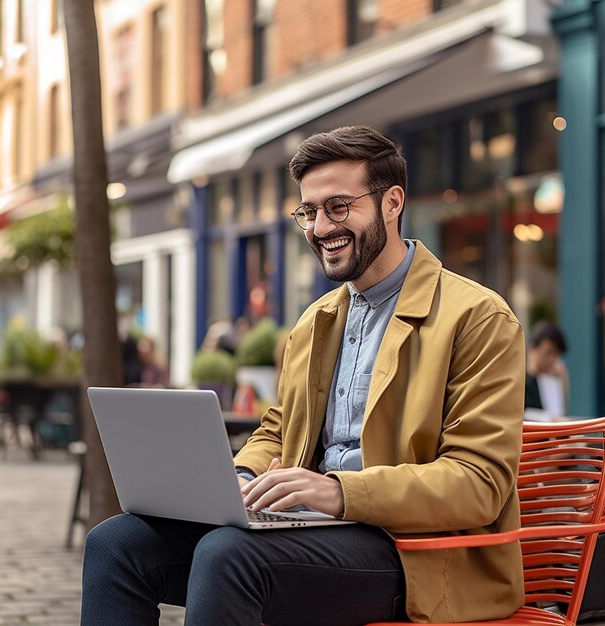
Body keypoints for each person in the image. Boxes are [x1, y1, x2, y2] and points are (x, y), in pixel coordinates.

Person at [80, 126, 526, 625]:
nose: (318, 228)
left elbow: (480, 484)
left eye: (338, 207)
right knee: (116, 544)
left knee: (229, 554)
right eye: (308, 212)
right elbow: (277, 427)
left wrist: (337, 492)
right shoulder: (317, 320)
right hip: (308, 531)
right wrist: (241, 479)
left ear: (392, 202)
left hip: (416, 554)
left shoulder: (478, 317)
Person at [524, 320, 568, 418]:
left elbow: (559, 413)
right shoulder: (522, 380)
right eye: (548, 353)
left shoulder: (553, 378)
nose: (552, 360)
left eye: (556, 355)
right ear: (532, 348)